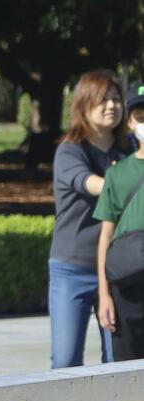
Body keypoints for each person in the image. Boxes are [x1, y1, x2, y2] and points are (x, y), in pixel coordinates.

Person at [50, 70, 127, 369]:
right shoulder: (70, 150)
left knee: (117, 358)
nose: (111, 106)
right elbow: (90, 184)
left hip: (117, 270)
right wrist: (129, 176)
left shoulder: (129, 151)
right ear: (84, 105)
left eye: (116, 99)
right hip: (72, 267)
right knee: (66, 359)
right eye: (103, 99)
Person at [95, 84, 144, 366]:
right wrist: (104, 294)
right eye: (140, 116)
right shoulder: (117, 173)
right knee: (127, 378)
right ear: (130, 122)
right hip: (126, 286)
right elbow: (105, 237)